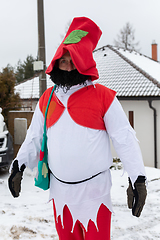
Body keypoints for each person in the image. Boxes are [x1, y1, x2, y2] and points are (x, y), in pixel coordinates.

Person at [8, 17, 147, 240]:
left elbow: (124, 138)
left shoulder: (103, 97)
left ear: (84, 62)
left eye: (74, 61)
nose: (68, 66)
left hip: (95, 194)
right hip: (61, 194)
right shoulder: (48, 98)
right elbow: (34, 137)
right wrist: (19, 165)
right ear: (56, 63)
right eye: (63, 61)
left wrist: (137, 178)